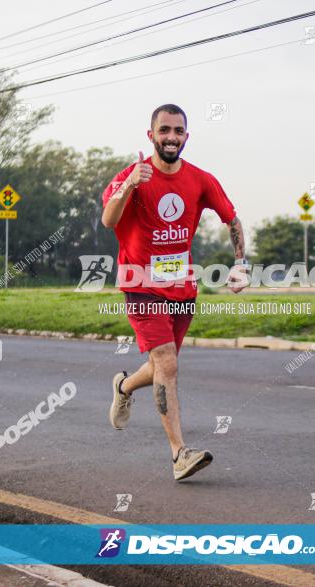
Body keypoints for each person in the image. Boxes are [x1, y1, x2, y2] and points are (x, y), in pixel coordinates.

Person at [101, 103, 249, 480]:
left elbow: (232, 219)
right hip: (140, 284)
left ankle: (123, 385)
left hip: (182, 287)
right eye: (164, 130)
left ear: (186, 136)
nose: (171, 137)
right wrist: (133, 182)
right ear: (151, 135)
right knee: (167, 364)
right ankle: (179, 453)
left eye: (178, 131)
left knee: (159, 368)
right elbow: (109, 220)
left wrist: (239, 263)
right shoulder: (129, 176)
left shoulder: (200, 180)